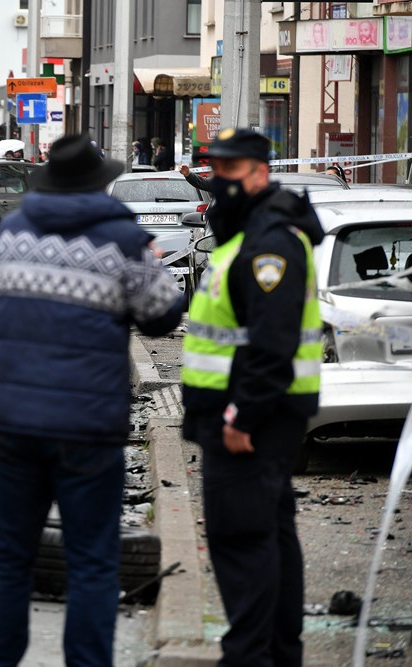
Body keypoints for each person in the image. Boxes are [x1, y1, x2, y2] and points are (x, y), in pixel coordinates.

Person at [0, 133, 184, 667]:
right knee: (92, 561)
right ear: (100, 182)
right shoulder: (123, 239)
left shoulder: (14, 229)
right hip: (87, 425)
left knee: (4, 558)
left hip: (11, 424)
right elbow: (163, 315)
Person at [181, 128, 324, 667]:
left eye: (231, 171)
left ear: (260, 173)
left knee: (241, 538)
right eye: (215, 170)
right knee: (269, 534)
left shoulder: (271, 243)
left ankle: (248, 658)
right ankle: (278, 653)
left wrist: (243, 415)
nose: (221, 182)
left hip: (250, 419)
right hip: (248, 413)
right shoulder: (250, 232)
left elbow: (273, 342)